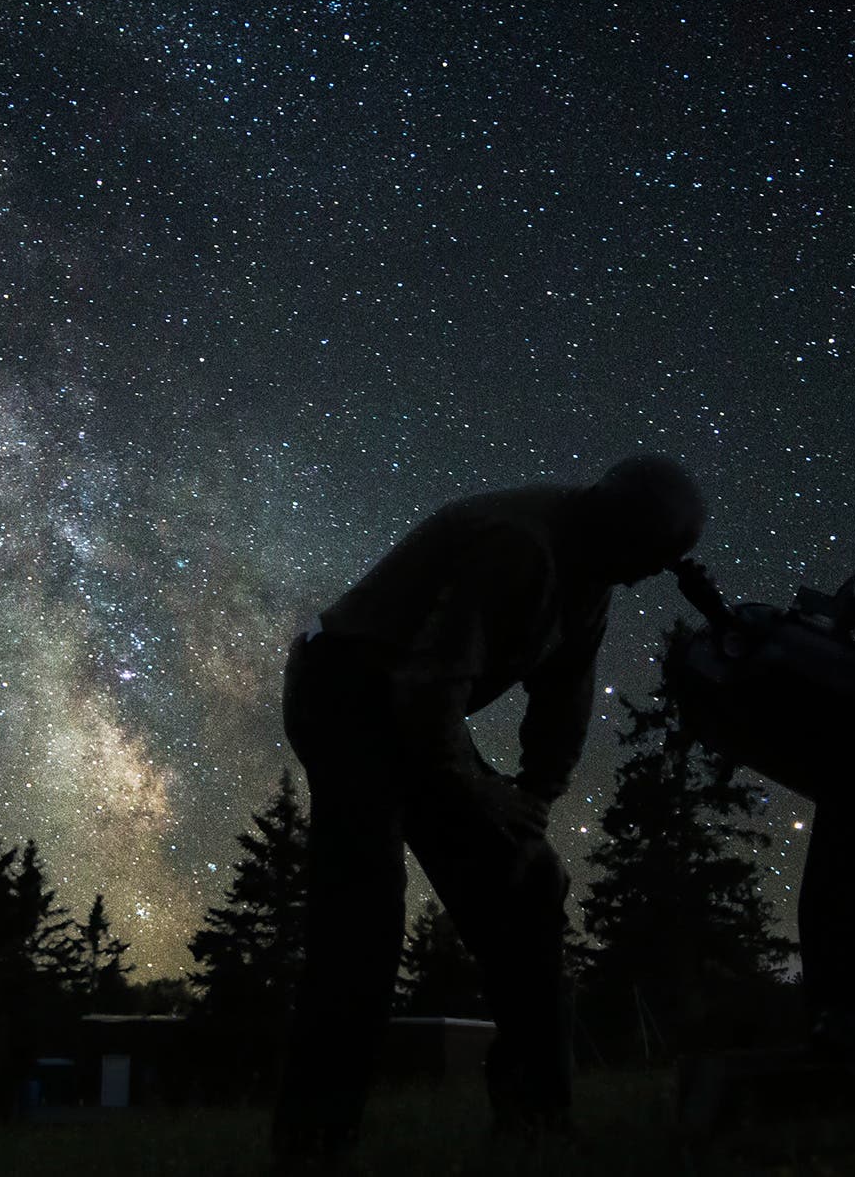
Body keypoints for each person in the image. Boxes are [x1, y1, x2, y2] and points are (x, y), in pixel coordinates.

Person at [272, 455, 708, 1159]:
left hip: (416, 705)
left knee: (529, 884)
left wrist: (529, 808)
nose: (641, 575)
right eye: (640, 555)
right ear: (608, 517)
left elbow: (562, 706)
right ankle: (313, 1144)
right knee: (364, 913)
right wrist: (483, 793)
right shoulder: (518, 546)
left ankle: (536, 1123)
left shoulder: (594, 578)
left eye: (656, 564)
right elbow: (424, 691)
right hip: (347, 690)